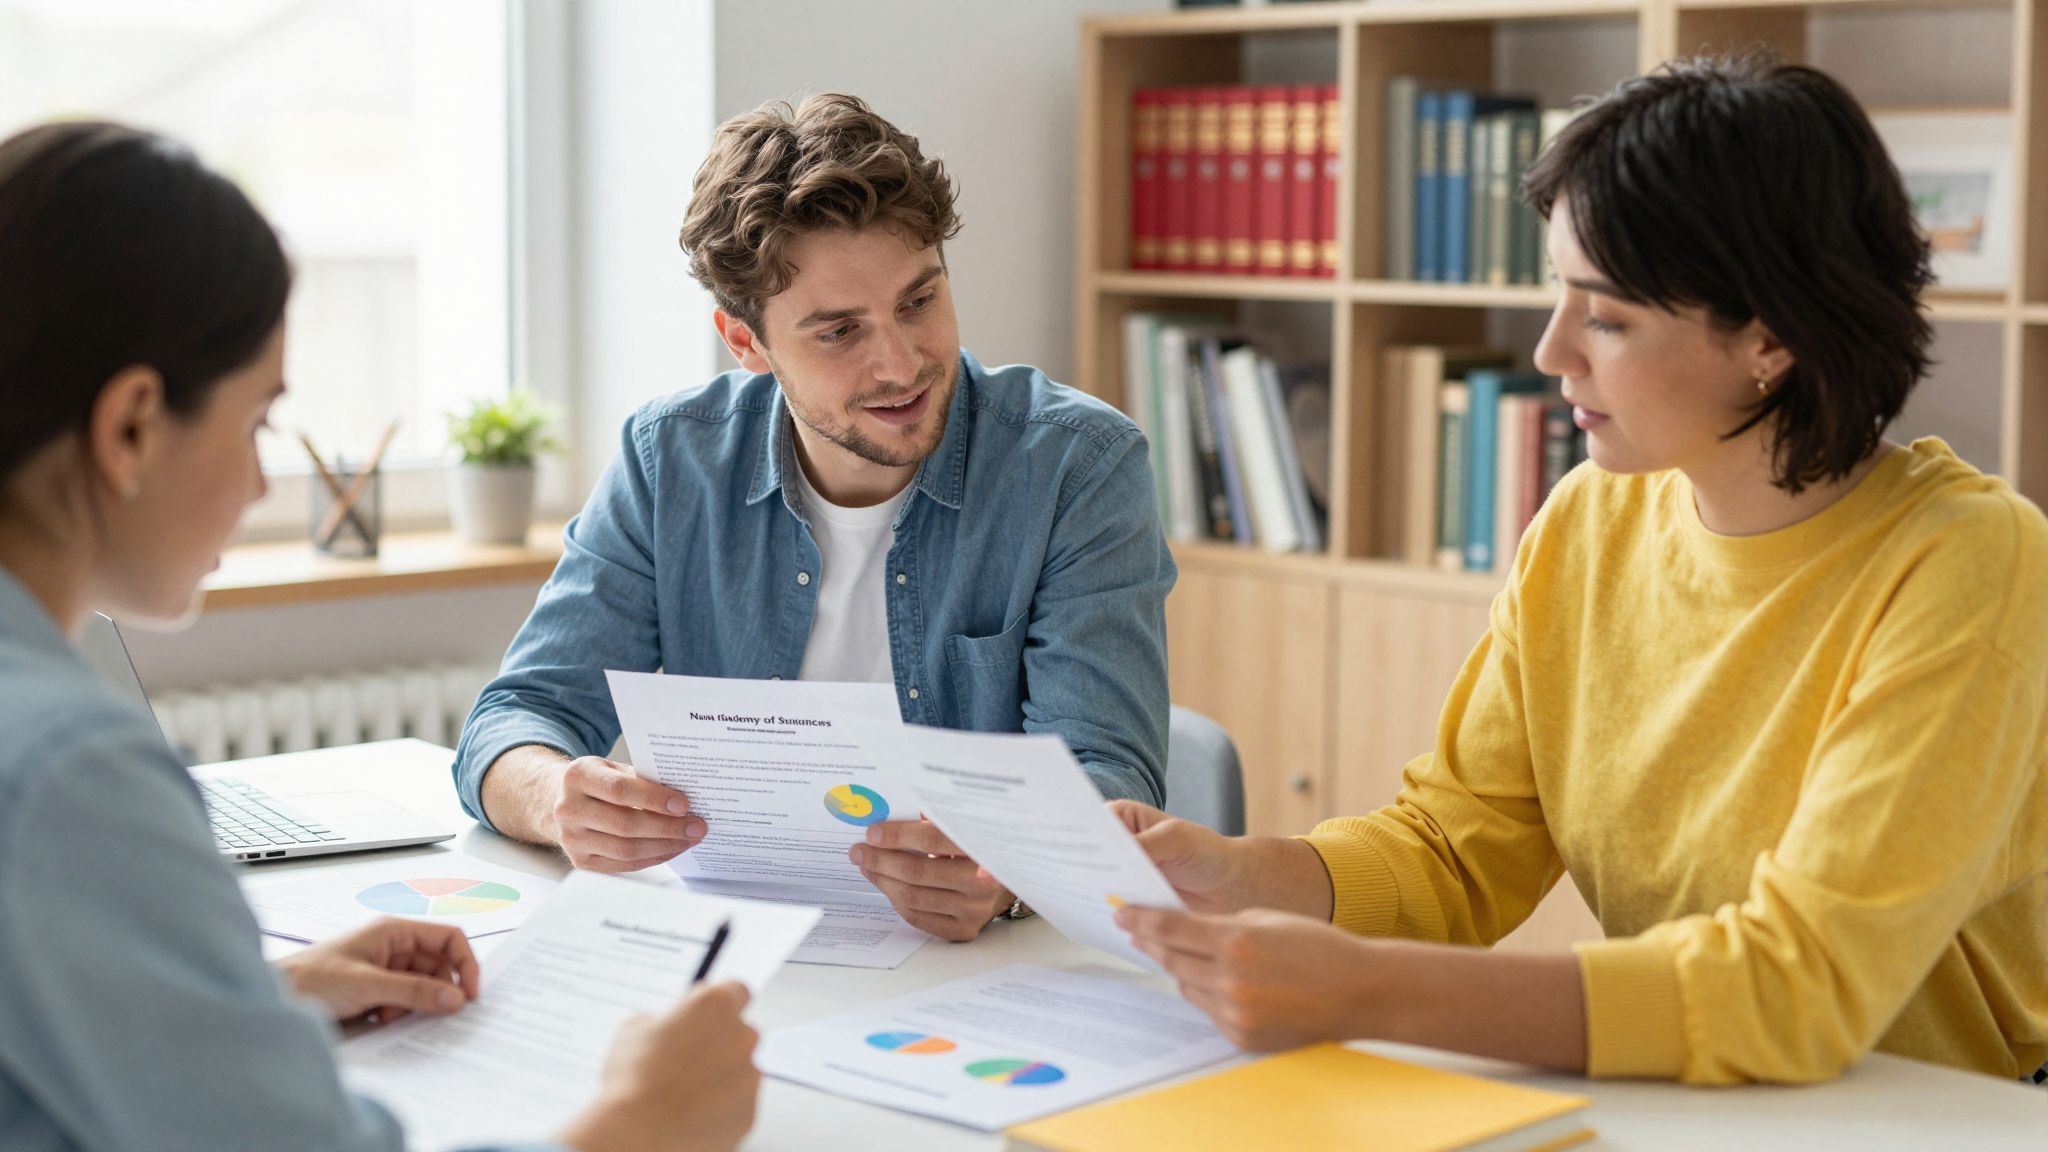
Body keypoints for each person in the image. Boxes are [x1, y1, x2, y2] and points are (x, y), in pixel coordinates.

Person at [1113, 53, 2048, 1086]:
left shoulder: (1966, 563)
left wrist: (1366, 989)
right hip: (1698, 1102)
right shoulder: (1590, 518)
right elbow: (1456, 851)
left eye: (1604, 316)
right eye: (1558, 294)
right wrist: (1242, 875)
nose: (1551, 352)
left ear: (1770, 340)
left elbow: (1800, 986)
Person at [0, 120, 761, 1151]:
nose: (259, 484)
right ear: (131, 425)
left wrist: (248, 1001)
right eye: (256, 424)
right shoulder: (72, 772)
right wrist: (641, 1126)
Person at [451, 93, 1174, 942]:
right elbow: (513, 720)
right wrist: (557, 799)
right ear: (746, 343)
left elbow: (1109, 774)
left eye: (918, 301)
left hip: (983, 962)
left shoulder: (1077, 467)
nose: (900, 364)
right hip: (740, 948)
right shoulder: (670, 461)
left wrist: (1007, 877)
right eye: (839, 333)